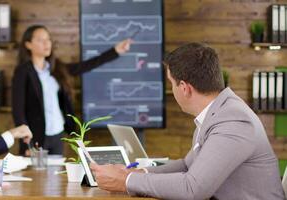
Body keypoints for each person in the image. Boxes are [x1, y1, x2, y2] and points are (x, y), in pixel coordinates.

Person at [90, 43, 285, 199]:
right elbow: (187, 165)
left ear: (184, 88)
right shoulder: (217, 112)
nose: (172, 89)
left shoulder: (233, 121)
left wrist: (126, 181)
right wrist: (141, 172)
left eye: (171, 83)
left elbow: (193, 189)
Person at [12, 25, 132, 155]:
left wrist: (115, 51)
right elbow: (18, 110)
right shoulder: (23, 72)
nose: (47, 43)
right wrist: (26, 140)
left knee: (55, 174)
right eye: (41, 40)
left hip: (57, 134)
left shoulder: (57, 68)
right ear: (28, 45)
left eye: (48, 39)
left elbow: (85, 66)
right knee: (35, 174)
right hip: (35, 137)